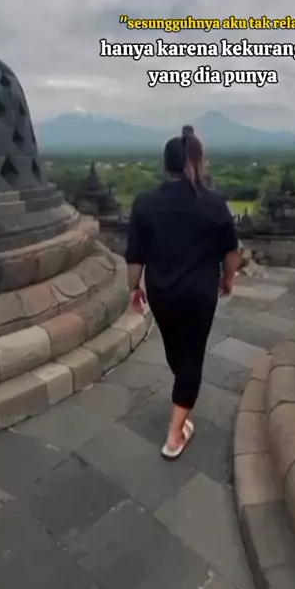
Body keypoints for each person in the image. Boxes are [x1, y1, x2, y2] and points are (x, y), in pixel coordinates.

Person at [125, 129, 240, 459]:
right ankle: (175, 435)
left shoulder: (145, 203)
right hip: (199, 293)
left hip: (161, 292)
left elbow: (135, 256)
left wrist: (134, 288)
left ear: (167, 165)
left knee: (178, 351)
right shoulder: (213, 203)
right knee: (190, 356)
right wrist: (228, 279)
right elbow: (231, 251)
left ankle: (181, 399)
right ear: (198, 161)